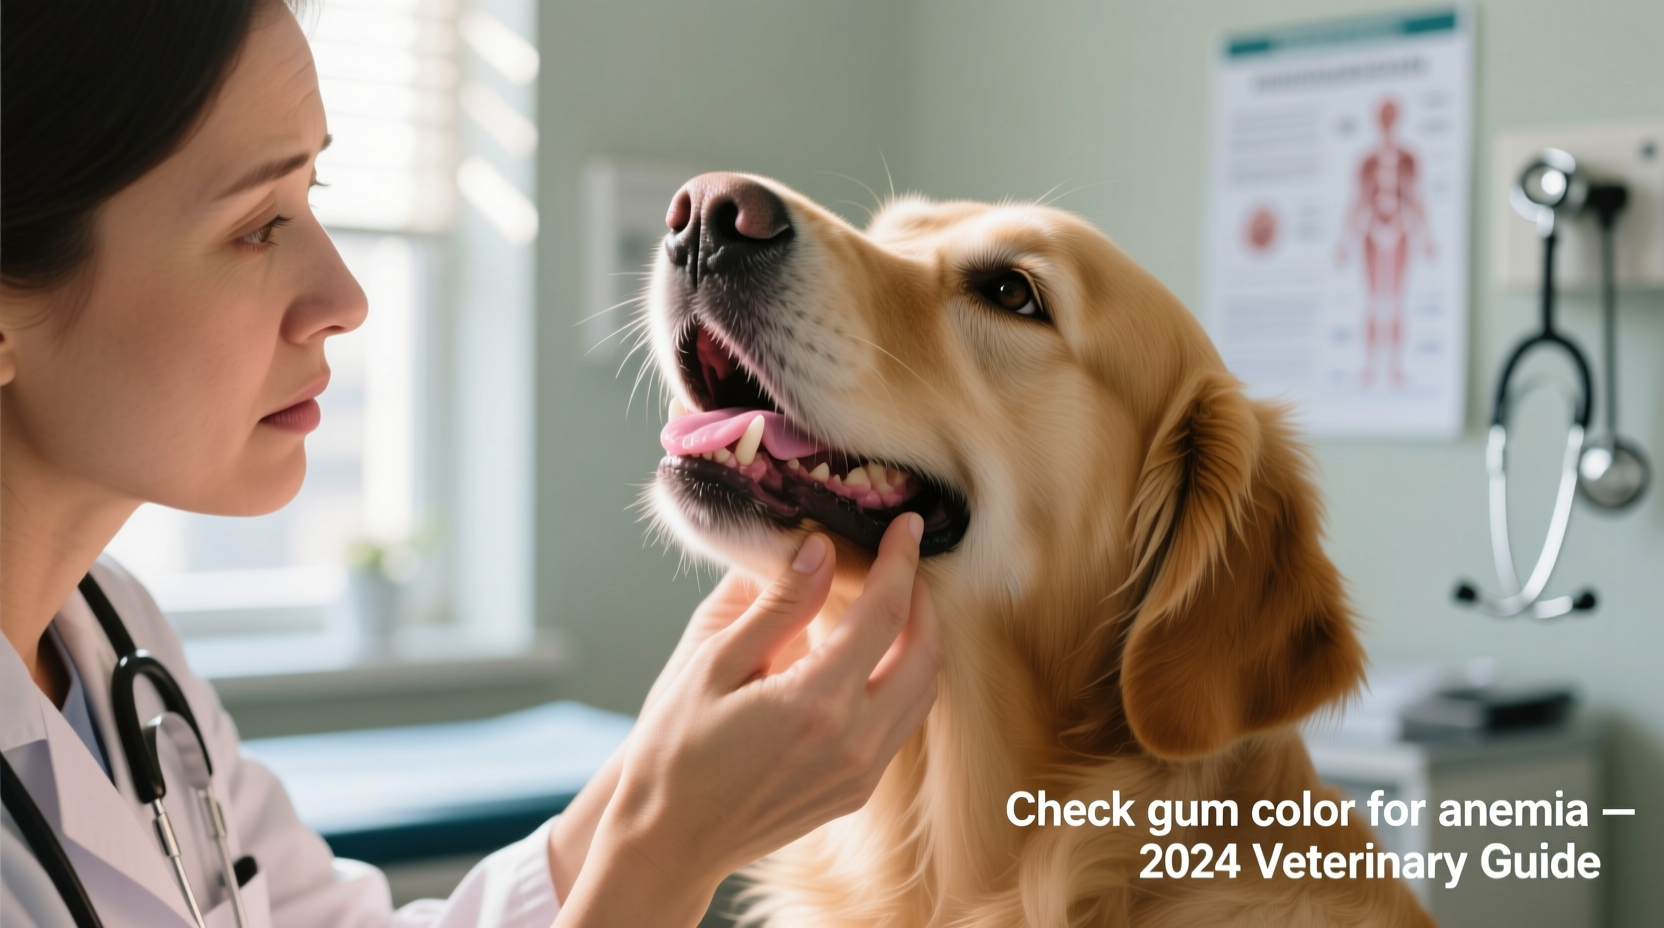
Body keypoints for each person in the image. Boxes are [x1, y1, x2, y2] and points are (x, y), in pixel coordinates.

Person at [0, 2, 943, 927]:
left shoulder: (120, 637)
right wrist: (666, 849)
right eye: (254, 225)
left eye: (310, 197)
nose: (347, 296)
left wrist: (652, 775)